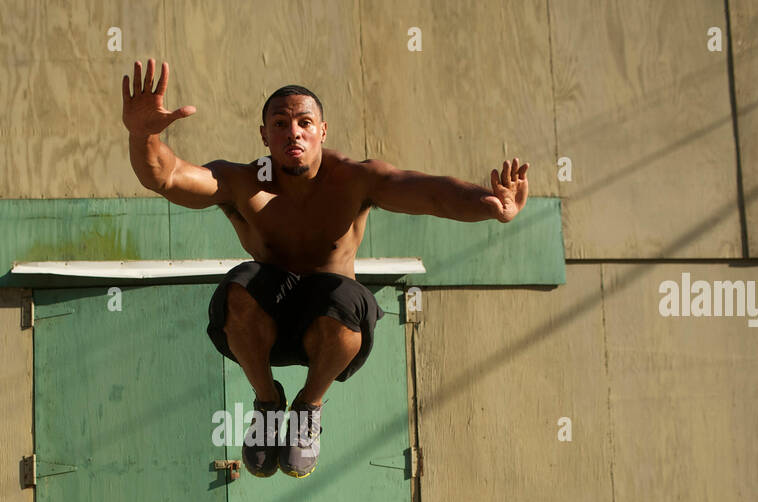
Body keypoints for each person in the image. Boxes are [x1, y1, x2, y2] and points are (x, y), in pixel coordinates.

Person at [123, 59, 529, 478]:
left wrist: (490, 205)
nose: (293, 132)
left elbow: (430, 195)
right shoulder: (244, 182)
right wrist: (143, 134)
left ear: (322, 131)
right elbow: (167, 176)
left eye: (304, 122)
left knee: (344, 297)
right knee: (240, 284)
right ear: (264, 135)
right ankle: (267, 403)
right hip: (268, 329)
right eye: (279, 123)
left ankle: (308, 408)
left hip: (332, 332)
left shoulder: (353, 179)